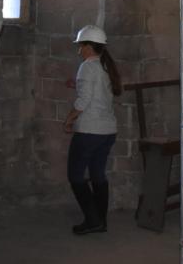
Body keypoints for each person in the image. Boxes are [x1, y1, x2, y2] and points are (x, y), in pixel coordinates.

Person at [64, 24, 122, 235]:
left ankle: (92, 219)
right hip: (107, 131)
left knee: (76, 176)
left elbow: (84, 100)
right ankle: (100, 221)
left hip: (89, 130)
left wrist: (69, 119)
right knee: (98, 174)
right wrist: (76, 85)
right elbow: (98, 92)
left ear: (89, 46)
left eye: (81, 45)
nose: (79, 50)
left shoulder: (87, 66)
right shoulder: (104, 66)